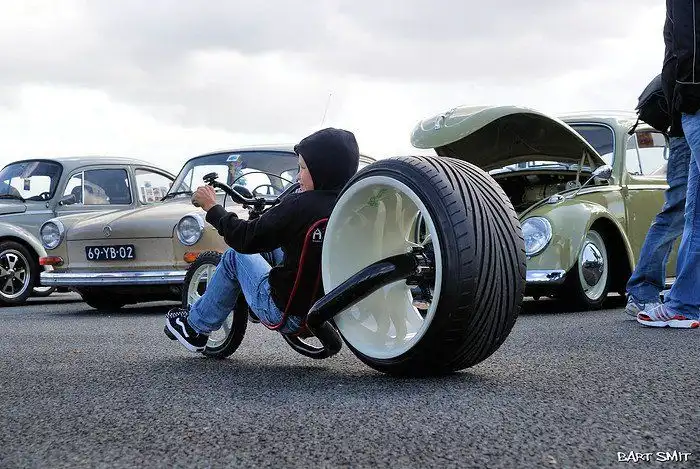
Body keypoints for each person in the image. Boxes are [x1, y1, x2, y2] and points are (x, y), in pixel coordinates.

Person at [164, 128, 360, 351]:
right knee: (278, 249)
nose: (298, 176)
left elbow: (244, 238)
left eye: (303, 168)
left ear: (322, 169)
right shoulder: (351, 205)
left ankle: (194, 327)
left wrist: (212, 207)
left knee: (235, 256)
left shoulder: (298, 206)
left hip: (288, 313)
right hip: (334, 308)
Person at [636, 0, 700, 329]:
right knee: (686, 211)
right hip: (685, 110)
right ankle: (674, 299)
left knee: (686, 211)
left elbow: (684, 42)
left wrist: (688, 93)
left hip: (690, 103)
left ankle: (683, 301)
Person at [624, 77, 691, 317]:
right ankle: (642, 291)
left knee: (678, 212)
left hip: (683, 131)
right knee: (676, 212)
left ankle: (644, 290)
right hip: (686, 133)